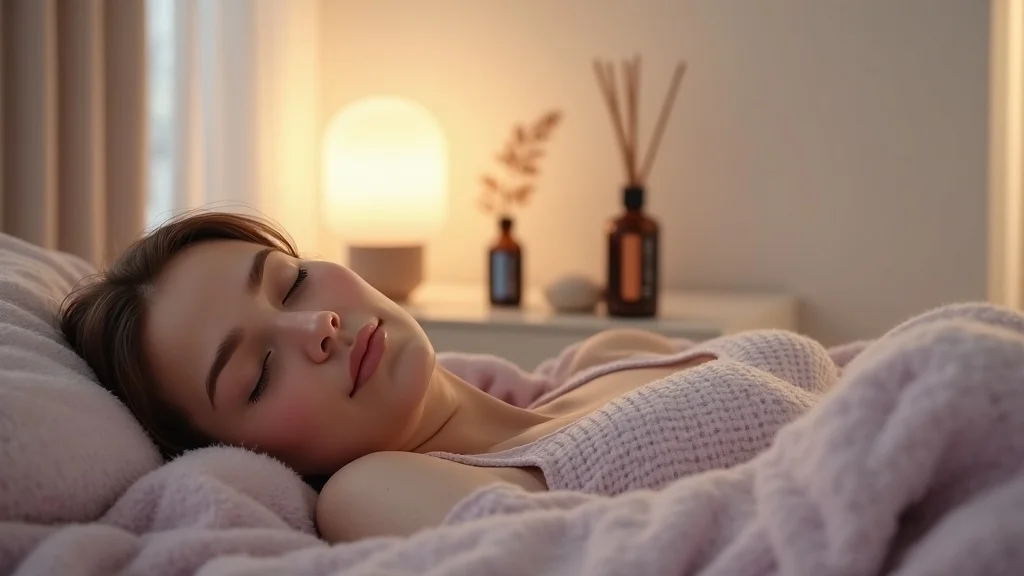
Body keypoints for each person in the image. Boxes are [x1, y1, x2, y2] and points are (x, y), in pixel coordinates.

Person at [58, 210, 834, 543]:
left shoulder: (604, 356)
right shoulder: (374, 488)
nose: (316, 329)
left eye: (291, 283)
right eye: (258, 375)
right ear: (244, 450)